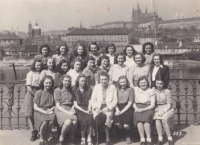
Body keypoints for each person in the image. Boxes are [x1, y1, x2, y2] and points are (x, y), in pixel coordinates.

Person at [91, 71, 117, 145]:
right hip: (98, 107)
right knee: (97, 118)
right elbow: (93, 99)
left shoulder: (112, 87)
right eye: (102, 79)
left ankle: (107, 137)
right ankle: (97, 138)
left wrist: (108, 108)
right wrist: (96, 108)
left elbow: (115, 100)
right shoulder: (96, 87)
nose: (103, 81)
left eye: (105, 79)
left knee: (107, 117)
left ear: (108, 79)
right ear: (99, 80)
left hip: (108, 107)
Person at [22, 58, 43, 142]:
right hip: (31, 93)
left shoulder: (42, 73)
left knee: (39, 112)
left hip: (40, 91)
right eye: (37, 65)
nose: (39, 66)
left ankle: (40, 130)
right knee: (30, 113)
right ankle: (33, 133)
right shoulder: (30, 73)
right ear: (34, 65)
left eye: (40, 65)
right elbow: (29, 87)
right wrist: (35, 96)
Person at [54, 74, 78, 145]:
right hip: (61, 109)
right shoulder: (57, 90)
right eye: (65, 81)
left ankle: (71, 139)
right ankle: (61, 139)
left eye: (68, 81)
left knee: (75, 122)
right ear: (62, 81)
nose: (67, 82)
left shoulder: (72, 90)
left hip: (70, 108)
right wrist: (68, 113)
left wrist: (73, 108)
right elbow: (57, 106)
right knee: (68, 122)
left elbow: (74, 102)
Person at [133, 76, 155, 145]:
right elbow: (132, 102)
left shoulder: (151, 91)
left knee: (146, 120)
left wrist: (143, 109)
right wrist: (136, 109)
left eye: (144, 82)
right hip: (137, 107)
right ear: (138, 84)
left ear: (147, 83)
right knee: (139, 120)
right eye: (141, 83)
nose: (143, 84)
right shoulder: (135, 90)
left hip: (148, 107)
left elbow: (153, 105)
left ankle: (149, 140)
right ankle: (142, 139)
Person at [34, 75, 55, 145]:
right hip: (40, 111)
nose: (48, 85)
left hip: (49, 111)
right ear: (43, 83)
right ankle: (42, 138)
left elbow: (55, 105)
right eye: (46, 83)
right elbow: (35, 107)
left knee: (51, 121)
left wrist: (51, 109)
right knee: (45, 122)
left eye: (50, 83)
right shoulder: (39, 92)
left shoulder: (53, 92)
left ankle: (46, 137)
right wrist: (45, 112)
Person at [73, 74, 93, 145]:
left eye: (84, 81)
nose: (83, 82)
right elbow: (75, 104)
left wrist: (89, 109)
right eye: (81, 81)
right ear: (78, 81)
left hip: (87, 107)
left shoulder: (89, 89)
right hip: (79, 108)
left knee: (90, 119)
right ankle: (83, 138)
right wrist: (85, 111)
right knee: (82, 120)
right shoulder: (74, 90)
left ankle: (89, 138)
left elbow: (90, 101)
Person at [113, 76, 134, 144]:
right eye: (121, 82)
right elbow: (114, 101)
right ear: (119, 83)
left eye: (124, 82)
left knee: (126, 125)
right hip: (118, 107)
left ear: (127, 82)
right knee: (118, 124)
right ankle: (122, 134)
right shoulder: (116, 89)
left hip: (127, 108)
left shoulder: (130, 89)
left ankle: (128, 136)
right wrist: (117, 110)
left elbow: (130, 103)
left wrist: (121, 112)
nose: (122, 84)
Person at [154, 79, 174, 145]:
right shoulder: (154, 91)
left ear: (163, 84)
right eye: (157, 83)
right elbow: (152, 102)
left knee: (164, 120)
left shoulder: (167, 91)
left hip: (167, 108)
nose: (159, 85)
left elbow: (169, 104)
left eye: (160, 84)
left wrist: (163, 111)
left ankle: (169, 138)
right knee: (157, 120)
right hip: (158, 108)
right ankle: (160, 139)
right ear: (155, 83)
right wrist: (155, 108)